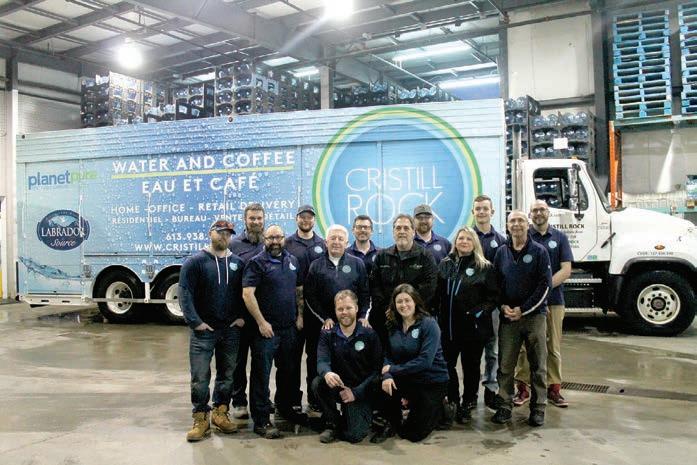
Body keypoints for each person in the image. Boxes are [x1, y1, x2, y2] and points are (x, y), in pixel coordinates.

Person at [179, 219, 245, 442]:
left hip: (230, 331)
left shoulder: (237, 263)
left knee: (227, 375)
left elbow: (245, 293)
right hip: (203, 332)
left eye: (228, 233)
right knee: (200, 377)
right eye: (220, 232)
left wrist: (241, 317)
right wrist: (195, 322)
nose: (224, 236)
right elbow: (185, 293)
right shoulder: (195, 262)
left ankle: (220, 413)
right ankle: (201, 418)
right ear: (210, 233)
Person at [242, 224, 306, 439]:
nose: (275, 241)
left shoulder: (292, 261)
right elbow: (247, 294)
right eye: (271, 238)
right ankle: (261, 420)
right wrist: (261, 322)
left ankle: (284, 409)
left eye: (279, 237)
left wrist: (300, 316)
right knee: (261, 375)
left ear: (284, 238)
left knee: (288, 372)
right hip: (266, 331)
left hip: (289, 329)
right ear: (264, 239)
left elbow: (298, 290)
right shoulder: (256, 263)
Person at [491, 210, 552, 427]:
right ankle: (505, 405)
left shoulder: (540, 252)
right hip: (508, 319)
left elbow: (545, 286)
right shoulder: (501, 252)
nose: (516, 224)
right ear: (507, 226)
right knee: (505, 365)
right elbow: (495, 284)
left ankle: (538, 408)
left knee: (538, 365)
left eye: (520, 221)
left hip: (534, 317)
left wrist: (523, 310)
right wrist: (502, 306)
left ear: (527, 225)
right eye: (512, 221)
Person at [513, 200, 573, 408]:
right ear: (530, 215)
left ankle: (553, 388)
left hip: (554, 301)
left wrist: (544, 289)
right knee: (524, 347)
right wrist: (533, 295)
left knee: (552, 346)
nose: (538, 213)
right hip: (528, 303)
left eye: (542, 210)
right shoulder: (523, 236)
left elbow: (566, 270)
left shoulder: (560, 238)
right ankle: (523, 388)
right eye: (535, 210)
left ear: (548, 213)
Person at [372, 284, 449, 443]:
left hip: (431, 380)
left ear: (415, 302)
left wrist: (392, 369)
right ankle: (392, 420)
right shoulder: (393, 324)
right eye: (399, 301)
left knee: (413, 435)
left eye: (407, 300)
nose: (404, 305)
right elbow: (388, 355)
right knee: (379, 383)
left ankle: (442, 408)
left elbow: (425, 362)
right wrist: (387, 375)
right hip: (408, 376)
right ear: (394, 305)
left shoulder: (429, 324)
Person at [436, 226, 498, 423]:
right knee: (447, 365)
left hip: (473, 329)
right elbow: (438, 293)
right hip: (448, 328)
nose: (464, 242)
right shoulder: (445, 264)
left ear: (474, 243)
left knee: (471, 367)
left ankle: (469, 401)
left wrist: (477, 313)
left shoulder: (484, 267)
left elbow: (493, 298)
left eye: (468, 239)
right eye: (461, 238)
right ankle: (453, 399)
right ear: (455, 242)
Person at [304, 224, 370, 411]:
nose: (336, 242)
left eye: (341, 239)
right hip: (324, 325)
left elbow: (365, 293)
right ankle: (316, 402)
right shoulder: (316, 266)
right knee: (317, 362)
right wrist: (325, 318)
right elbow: (310, 296)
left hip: (351, 325)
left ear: (347, 243)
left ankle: (353, 398)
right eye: (333, 238)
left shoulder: (357, 263)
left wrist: (362, 316)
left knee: (352, 362)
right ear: (326, 242)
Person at [312, 290, 382, 444]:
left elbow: (376, 371)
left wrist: (356, 392)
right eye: (340, 309)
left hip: (360, 389)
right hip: (340, 385)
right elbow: (322, 361)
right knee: (318, 383)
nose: (344, 312)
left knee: (354, 436)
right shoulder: (327, 334)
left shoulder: (369, 334)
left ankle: (359, 415)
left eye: (348, 308)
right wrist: (327, 373)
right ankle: (332, 422)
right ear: (335, 311)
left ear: (356, 308)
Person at [370, 214, 438, 344]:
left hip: (416, 318)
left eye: (406, 228)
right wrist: (391, 308)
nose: (402, 231)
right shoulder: (381, 256)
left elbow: (430, 287)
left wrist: (407, 308)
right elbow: (375, 286)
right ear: (393, 232)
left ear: (413, 232)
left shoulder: (425, 256)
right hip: (385, 317)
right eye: (398, 228)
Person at [284, 204, 326, 411]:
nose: (306, 220)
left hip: (316, 313)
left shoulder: (322, 244)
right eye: (302, 217)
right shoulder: (287, 244)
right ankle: (292, 400)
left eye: (310, 217)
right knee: (291, 358)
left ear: (314, 220)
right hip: (293, 312)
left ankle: (315, 399)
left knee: (314, 358)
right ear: (296, 219)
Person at [228, 203, 265, 420]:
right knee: (238, 363)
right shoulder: (234, 245)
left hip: (263, 317)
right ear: (245, 220)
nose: (256, 222)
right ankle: (239, 402)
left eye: (259, 218)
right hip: (241, 317)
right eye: (252, 218)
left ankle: (261, 400)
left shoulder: (270, 243)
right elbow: (229, 285)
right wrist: (234, 315)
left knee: (262, 363)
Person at [472, 194, 507, 409]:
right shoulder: (466, 237)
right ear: (473, 212)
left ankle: (491, 388)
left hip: (493, 305)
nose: (482, 212)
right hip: (472, 306)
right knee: (472, 351)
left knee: (492, 349)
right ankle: (470, 393)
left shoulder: (501, 241)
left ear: (492, 212)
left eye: (485, 208)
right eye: (478, 209)